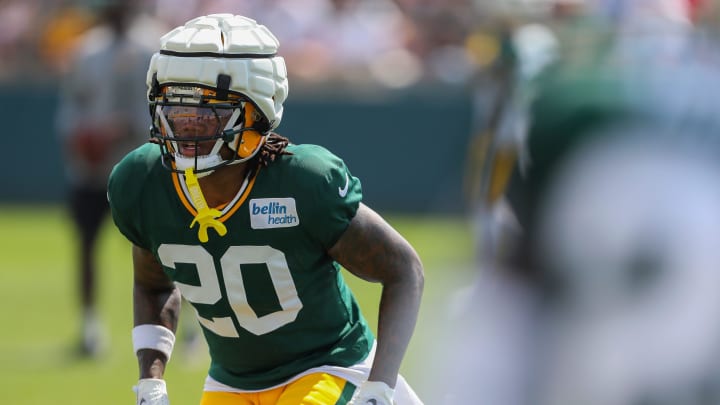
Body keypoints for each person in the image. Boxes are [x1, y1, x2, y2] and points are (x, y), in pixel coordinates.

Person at [107, 14, 425, 405]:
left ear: (257, 111)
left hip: (328, 366)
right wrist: (151, 381)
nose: (185, 129)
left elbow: (403, 270)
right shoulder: (141, 181)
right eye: (175, 111)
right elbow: (153, 284)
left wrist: (379, 386)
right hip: (232, 381)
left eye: (206, 115)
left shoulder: (303, 181)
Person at [54, 0, 156, 356]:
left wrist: (126, 128)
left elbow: (162, 108)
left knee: (165, 249)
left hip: (142, 165)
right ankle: (90, 326)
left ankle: (184, 326)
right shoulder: (87, 49)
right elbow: (71, 104)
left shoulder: (154, 46)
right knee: (86, 245)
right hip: (94, 169)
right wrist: (79, 137)